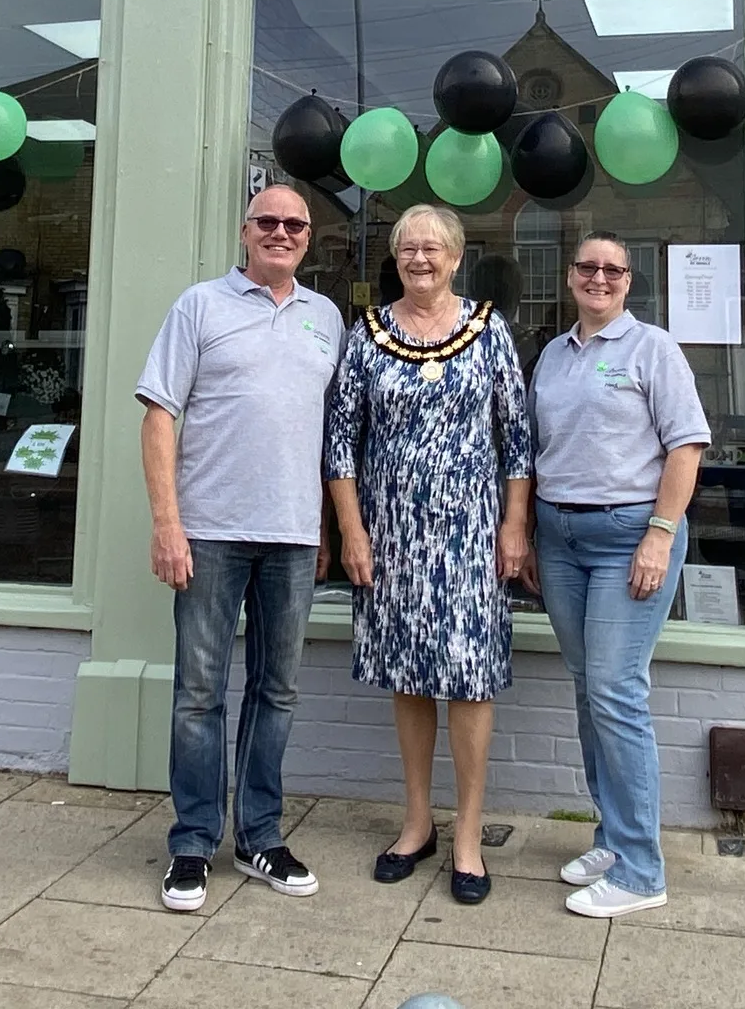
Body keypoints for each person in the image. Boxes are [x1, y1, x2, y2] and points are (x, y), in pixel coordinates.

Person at [135, 185, 345, 913]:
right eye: (268, 222)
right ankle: (193, 842)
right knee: (199, 695)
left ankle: (260, 836)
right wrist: (168, 523)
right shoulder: (200, 306)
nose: (281, 232)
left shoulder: (327, 319)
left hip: (292, 537)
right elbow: (159, 415)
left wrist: (325, 525)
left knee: (276, 692)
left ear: (308, 238)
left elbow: (327, 438)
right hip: (211, 532)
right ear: (244, 231)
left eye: (295, 224)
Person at [325, 204, 533, 905]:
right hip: (390, 538)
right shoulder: (368, 335)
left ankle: (469, 835)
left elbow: (518, 440)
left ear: (455, 256)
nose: (420, 258)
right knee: (409, 676)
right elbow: (339, 444)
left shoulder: (488, 331)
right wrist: (351, 531)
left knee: (470, 680)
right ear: (396, 258)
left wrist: (514, 525)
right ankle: (417, 822)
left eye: (433, 248)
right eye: (409, 248)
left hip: (472, 535)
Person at [528, 231, 710, 918]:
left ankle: (640, 869)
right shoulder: (552, 354)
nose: (599, 277)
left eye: (613, 269)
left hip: (630, 537)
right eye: (588, 267)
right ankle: (610, 836)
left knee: (615, 690)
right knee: (589, 689)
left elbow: (686, 447)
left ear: (628, 282)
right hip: (562, 537)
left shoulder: (652, 348)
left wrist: (660, 536)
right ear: (570, 277)